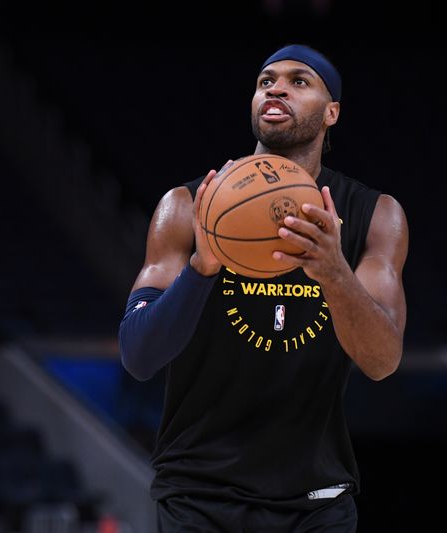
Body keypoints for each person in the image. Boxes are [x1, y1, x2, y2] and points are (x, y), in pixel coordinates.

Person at [118, 44, 408, 532]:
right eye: (265, 80)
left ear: (331, 112)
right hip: (198, 495)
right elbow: (139, 356)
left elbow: (381, 362)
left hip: (316, 501)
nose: (276, 88)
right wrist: (201, 268)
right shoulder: (188, 207)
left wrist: (335, 273)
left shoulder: (373, 215)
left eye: (300, 81)